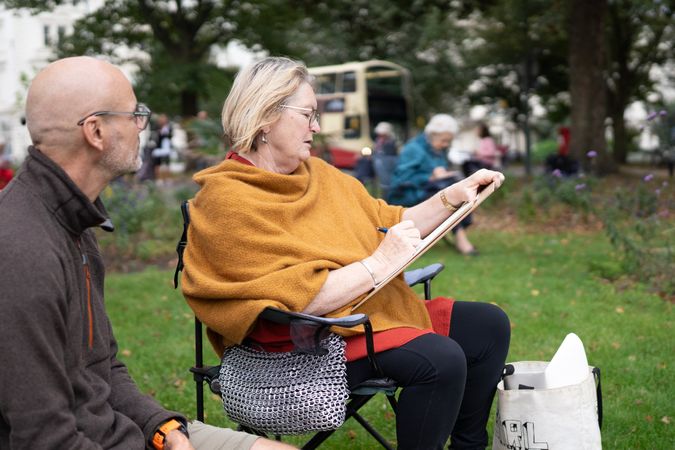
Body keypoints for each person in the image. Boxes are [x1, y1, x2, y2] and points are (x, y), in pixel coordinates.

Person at [181, 57, 510, 450]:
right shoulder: (227, 200)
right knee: (440, 360)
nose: (316, 127)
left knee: (488, 324)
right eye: (307, 114)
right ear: (266, 116)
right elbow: (298, 299)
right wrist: (379, 263)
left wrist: (451, 197)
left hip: (358, 316)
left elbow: (388, 221)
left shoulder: (318, 174)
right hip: (298, 343)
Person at [0, 56, 292, 450]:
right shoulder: (22, 250)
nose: (142, 125)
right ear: (96, 131)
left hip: (122, 432)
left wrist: (163, 429)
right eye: (135, 114)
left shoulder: (75, 223)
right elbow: (44, 438)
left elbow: (103, 368)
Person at [388, 114, 478, 255]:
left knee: (457, 190)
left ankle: (459, 233)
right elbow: (400, 180)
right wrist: (429, 176)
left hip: (429, 191)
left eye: (448, 141)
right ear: (432, 135)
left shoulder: (438, 151)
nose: (446, 145)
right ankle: (461, 238)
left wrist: (443, 175)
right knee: (447, 197)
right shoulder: (413, 149)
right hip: (406, 194)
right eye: (443, 140)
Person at [372, 121, 399, 198]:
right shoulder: (378, 140)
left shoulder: (391, 142)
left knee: (386, 185)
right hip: (380, 163)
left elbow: (392, 156)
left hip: (386, 165)